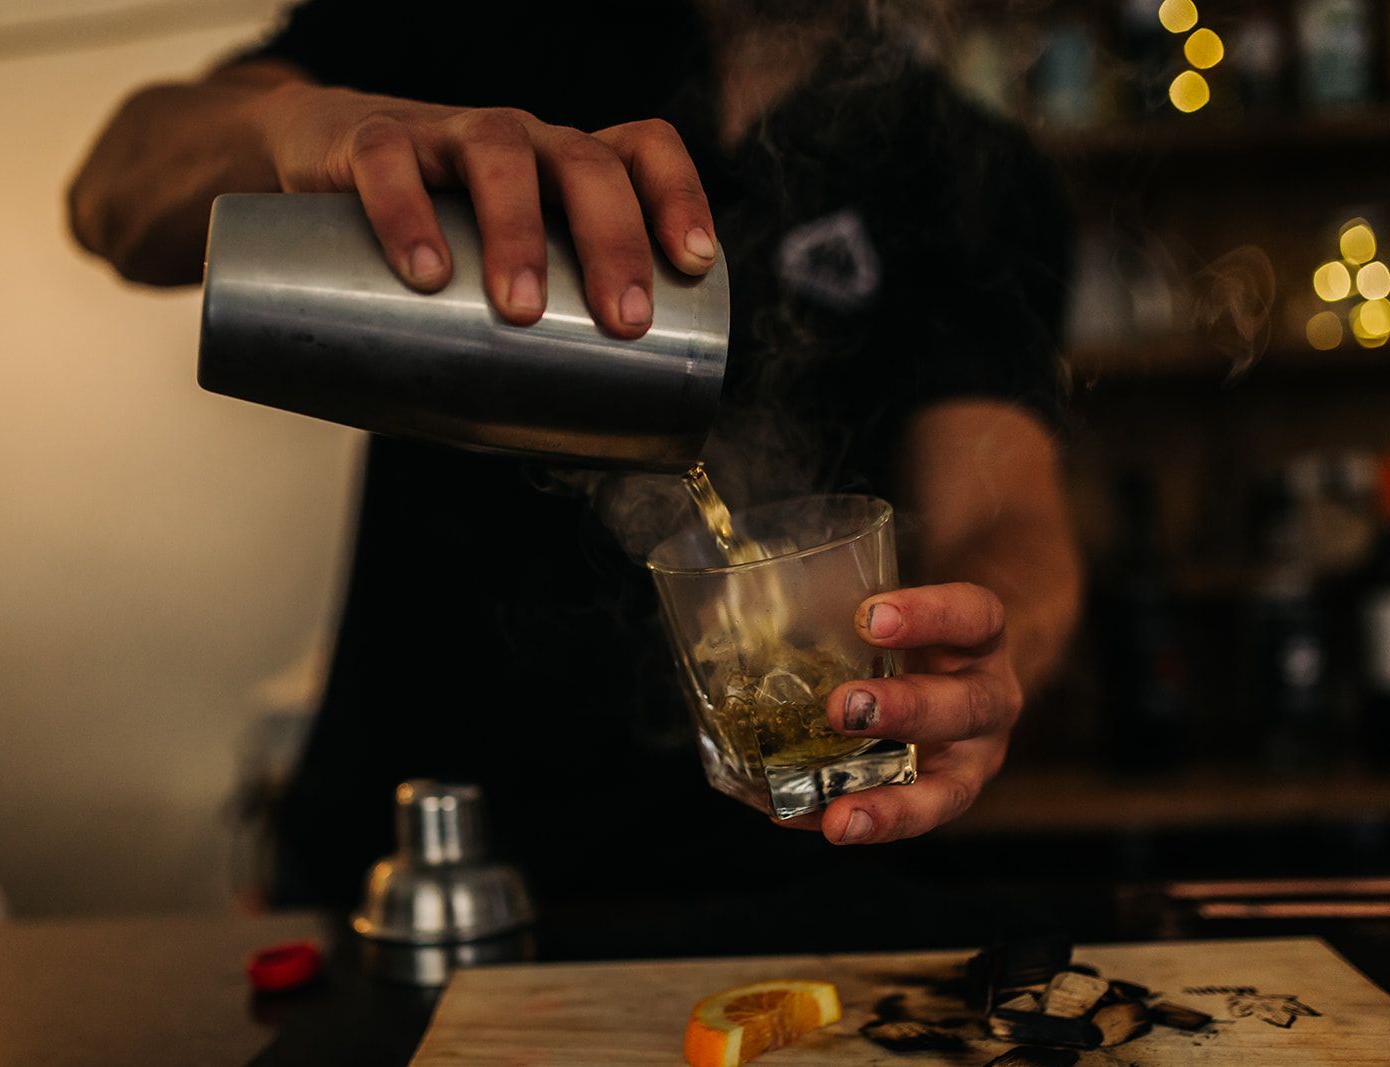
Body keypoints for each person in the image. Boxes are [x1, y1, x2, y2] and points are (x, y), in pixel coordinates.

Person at [68, 1, 1083, 918]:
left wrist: (983, 647)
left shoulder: (966, 164)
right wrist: (296, 124)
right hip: (414, 865)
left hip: (774, 881)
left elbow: (1003, 512)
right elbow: (114, 194)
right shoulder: (469, 32)